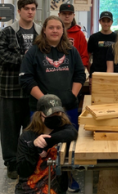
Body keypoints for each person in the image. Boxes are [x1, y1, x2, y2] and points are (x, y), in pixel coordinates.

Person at [19, 15, 85, 192]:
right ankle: (39, 180)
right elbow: (26, 80)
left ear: (63, 30)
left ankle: (67, 177)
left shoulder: (71, 51)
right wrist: (45, 102)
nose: (55, 30)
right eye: (51, 27)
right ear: (45, 30)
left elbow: (80, 74)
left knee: (67, 147)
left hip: (67, 109)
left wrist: (73, 94)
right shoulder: (34, 51)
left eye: (58, 27)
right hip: (41, 112)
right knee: (42, 147)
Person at [0, 0, 41, 179]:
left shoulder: (40, 32)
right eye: (27, 9)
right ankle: (11, 163)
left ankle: (27, 162)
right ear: (19, 10)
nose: (30, 12)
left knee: (31, 128)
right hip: (10, 89)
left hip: (33, 90)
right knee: (10, 129)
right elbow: (3, 57)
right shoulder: (7, 32)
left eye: (33, 9)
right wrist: (26, 58)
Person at [15, 94, 78, 194]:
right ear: (40, 114)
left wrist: (46, 143)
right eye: (50, 114)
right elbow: (23, 171)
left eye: (58, 113)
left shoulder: (64, 130)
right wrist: (33, 146)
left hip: (55, 189)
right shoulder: (27, 136)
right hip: (29, 189)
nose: (55, 116)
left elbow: (72, 133)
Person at [87, 11, 117, 81]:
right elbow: (87, 57)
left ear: (111, 22)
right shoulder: (93, 37)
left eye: (108, 21)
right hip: (96, 73)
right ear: (100, 21)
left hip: (113, 73)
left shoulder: (117, 37)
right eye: (103, 21)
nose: (106, 23)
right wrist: (91, 73)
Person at [58, 3, 89, 68]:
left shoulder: (79, 34)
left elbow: (84, 55)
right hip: (56, 67)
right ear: (59, 15)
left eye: (69, 14)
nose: (67, 16)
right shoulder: (54, 32)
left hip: (74, 68)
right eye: (64, 13)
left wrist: (81, 69)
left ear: (73, 15)